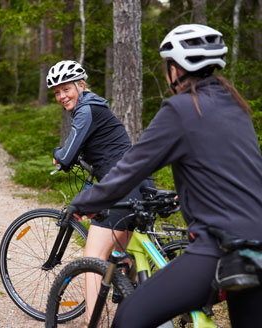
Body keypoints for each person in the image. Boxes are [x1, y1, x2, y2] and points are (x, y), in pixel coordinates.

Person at [70, 24, 262, 327]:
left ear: (176, 69)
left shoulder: (181, 109)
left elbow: (131, 167)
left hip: (220, 248)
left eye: (167, 66)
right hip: (257, 247)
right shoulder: (235, 106)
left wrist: (85, 201)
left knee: (130, 315)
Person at [46, 60, 154, 321]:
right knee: (120, 254)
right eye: (57, 92)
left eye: (66, 89)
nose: (61, 96)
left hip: (122, 189)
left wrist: (58, 156)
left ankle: (91, 323)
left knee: (93, 256)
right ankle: (130, 288)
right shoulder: (93, 106)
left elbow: (68, 152)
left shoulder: (86, 110)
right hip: (136, 183)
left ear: (80, 85)